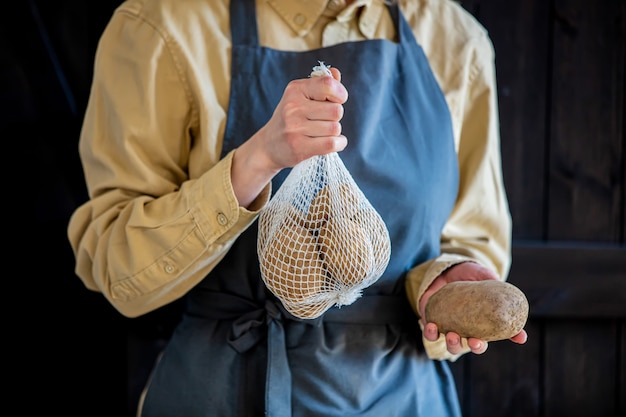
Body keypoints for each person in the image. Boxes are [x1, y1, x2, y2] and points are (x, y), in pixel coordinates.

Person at [68, 0, 528, 415]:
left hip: (404, 399)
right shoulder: (161, 24)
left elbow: (473, 235)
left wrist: (441, 282)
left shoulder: (452, 36)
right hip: (223, 391)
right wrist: (256, 161)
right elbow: (117, 270)